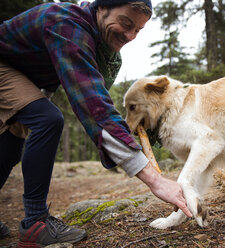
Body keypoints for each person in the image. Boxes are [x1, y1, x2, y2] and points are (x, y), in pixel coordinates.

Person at [0, 0, 192, 246]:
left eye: (138, 30)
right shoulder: (67, 24)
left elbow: (100, 101)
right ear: (101, 8)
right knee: (47, 119)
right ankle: (35, 223)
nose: (130, 36)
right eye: (126, 23)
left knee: (12, 141)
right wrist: (154, 179)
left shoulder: (103, 48)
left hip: (24, 76)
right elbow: (94, 107)